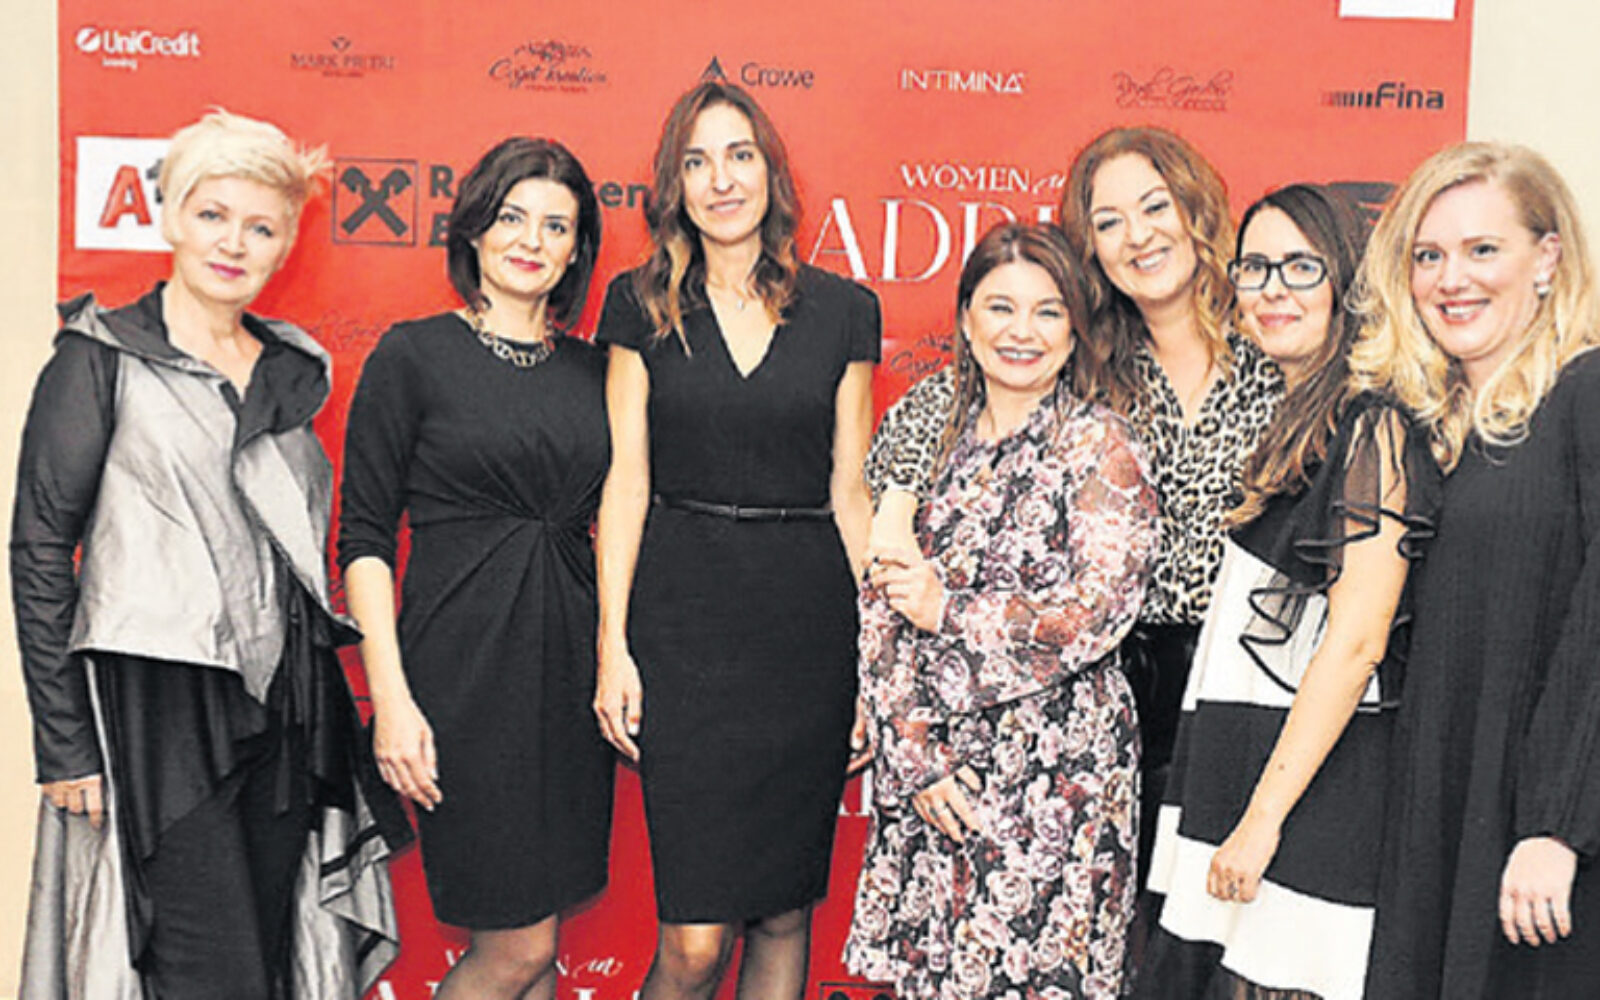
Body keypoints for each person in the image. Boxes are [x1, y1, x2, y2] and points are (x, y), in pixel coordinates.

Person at [13, 109, 405, 1000]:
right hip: (162, 716)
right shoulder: (98, 357)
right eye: (213, 215)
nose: (234, 243)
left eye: (261, 227)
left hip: (287, 721)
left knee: (266, 968)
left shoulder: (291, 370)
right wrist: (65, 743)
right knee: (205, 971)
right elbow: (40, 548)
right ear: (171, 218)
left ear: (286, 245)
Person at [866, 128, 1283, 901]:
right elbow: (947, 400)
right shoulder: (1090, 358)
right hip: (1110, 674)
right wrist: (894, 511)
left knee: (1229, 925)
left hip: (1251, 673)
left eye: (1155, 207)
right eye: (1109, 221)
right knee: (1129, 921)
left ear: (1196, 209)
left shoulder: (1275, 342)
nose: (1138, 236)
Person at [591, 80, 879, 1000]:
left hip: (807, 631)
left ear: (771, 173)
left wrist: (876, 662)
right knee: (695, 944)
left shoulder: (845, 311)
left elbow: (850, 493)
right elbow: (626, 484)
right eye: (698, 161)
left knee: (785, 914)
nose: (722, 180)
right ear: (674, 186)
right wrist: (612, 646)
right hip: (683, 628)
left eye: (740, 156)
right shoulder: (639, 304)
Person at [1136, 185, 1439, 1000]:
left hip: (1315, 795)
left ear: (1349, 280)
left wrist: (1262, 818)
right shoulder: (1298, 417)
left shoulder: (1374, 426)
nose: (1273, 289)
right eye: (1256, 268)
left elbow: (1359, 641)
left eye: (1302, 267)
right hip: (1253, 767)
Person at [845, 221, 1158, 999]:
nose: (1023, 332)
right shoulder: (930, 433)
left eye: (1048, 311)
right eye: (1001, 307)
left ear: (1075, 329)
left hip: (1056, 773)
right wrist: (912, 750)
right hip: (935, 773)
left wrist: (949, 611)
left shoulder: (1100, 445)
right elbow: (882, 597)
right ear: (965, 319)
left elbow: (1098, 610)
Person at [338, 136, 613, 1000]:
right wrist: (391, 701)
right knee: (519, 950)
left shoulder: (599, 372)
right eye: (511, 217)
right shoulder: (413, 356)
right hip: (462, 678)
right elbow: (364, 538)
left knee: (540, 942)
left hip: (570, 680)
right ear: (474, 230)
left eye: (556, 226)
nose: (531, 240)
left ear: (577, 251)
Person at [1356, 143, 1600, 999]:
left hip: (1543, 854)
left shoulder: (1587, 391)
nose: (1450, 279)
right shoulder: (1432, 432)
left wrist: (1556, 826)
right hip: (1439, 825)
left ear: (1548, 258)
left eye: (1482, 249)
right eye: (1429, 255)